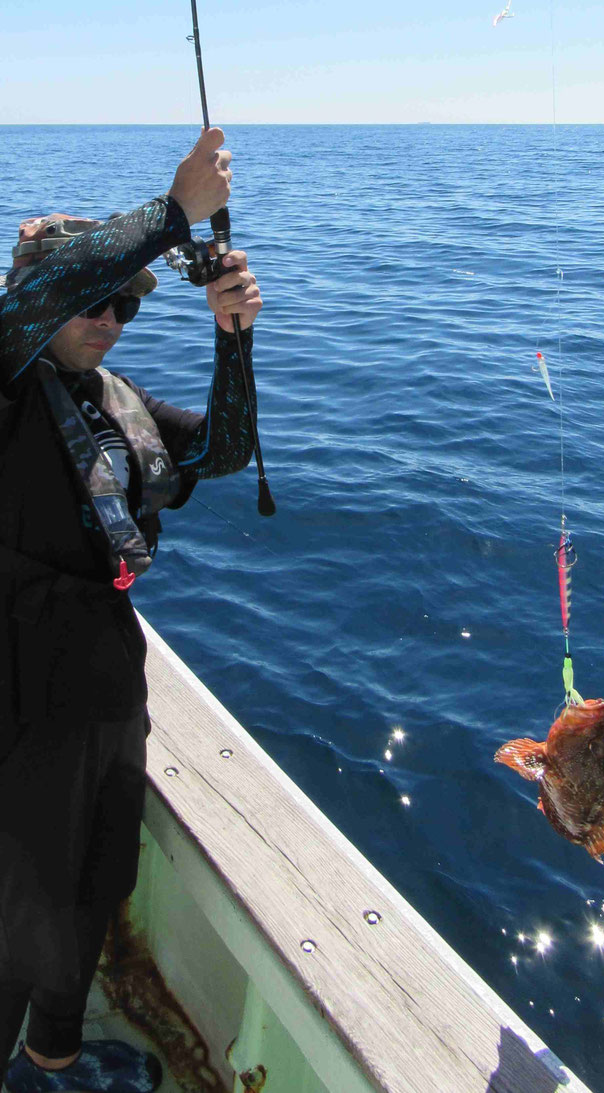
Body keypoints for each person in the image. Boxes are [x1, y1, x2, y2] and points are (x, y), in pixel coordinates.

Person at [0, 127, 263, 1092]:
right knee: (13, 912)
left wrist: (234, 344)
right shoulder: (10, 382)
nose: (111, 317)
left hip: (109, 693)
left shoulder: (115, 396)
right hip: (19, 706)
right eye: (94, 298)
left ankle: (53, 1059)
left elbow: (218, 455)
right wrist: (172, 212)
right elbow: (31, 297)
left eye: (125, 305)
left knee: (89, 892)